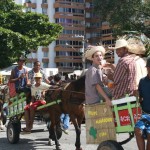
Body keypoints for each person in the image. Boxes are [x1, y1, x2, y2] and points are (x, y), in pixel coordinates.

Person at [134, 57, 150, 150]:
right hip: (145, 116)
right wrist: (137, 95)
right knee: (138, 129)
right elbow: (140, 98)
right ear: (147, 68)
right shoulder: (142, 81)